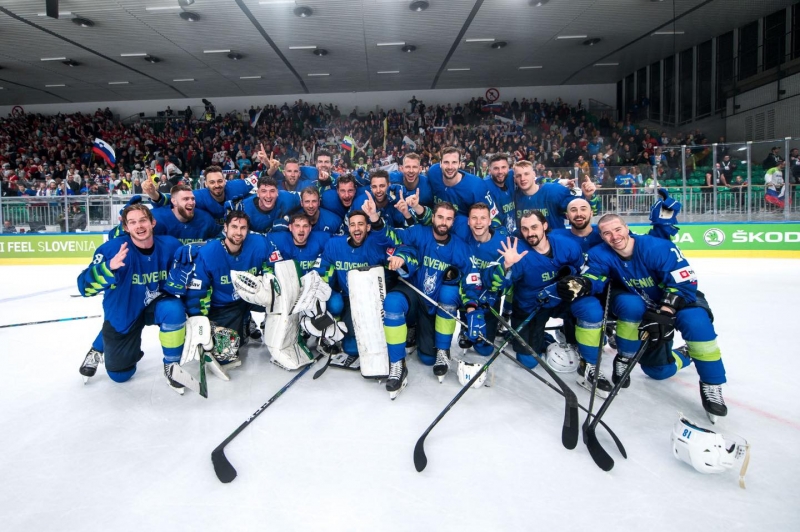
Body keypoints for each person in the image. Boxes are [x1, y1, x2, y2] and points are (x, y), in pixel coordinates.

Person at [559, 214, 728, 421]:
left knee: (697, 323)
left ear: (627, 228)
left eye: (618, 230)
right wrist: (583, 284)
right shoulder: (600, 254)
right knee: (656, 370)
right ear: (601, 236)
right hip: (646, 308)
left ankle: (712, 385)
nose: (614, 236)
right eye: (607, 233)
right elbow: (595, 275)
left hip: (681, 301)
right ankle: (651, 356)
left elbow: (685, 281)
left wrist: (666, 311)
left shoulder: (657, 248)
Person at [77, 203, 188, 393]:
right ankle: (97, 348)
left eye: (143, 220)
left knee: (174, 309)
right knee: (120, 375)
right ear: (126, 227)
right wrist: (108, 267)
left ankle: (172, 366)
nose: (139, 226)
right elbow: (85, 288)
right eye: (133, 222)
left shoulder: (170, 245)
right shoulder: (111, 250)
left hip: (156, 303)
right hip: (124, 308)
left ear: (152, 222)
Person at [382, 202, 473, 398]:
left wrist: (471, 308)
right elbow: (395, 238)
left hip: (435, 305)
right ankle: (397, 365)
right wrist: (400, 257)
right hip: (414, 293)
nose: (443, 222)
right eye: (440, 217)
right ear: (433, 217)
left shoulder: (460, 247)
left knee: (427, 357)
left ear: (453, 222)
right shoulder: (418, 231)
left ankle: (442, 350)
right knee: (392, 302)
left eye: (448, 219)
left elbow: (470, 281)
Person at [180, 211, 267, 360]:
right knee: (226, 355)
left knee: (279, 302)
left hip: (250, 297)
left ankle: (251, 322)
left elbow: (271, 265)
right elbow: (198, 291)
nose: (238, 232)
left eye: (243, 228)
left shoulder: (258, 244)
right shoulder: (209, 253)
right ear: (225, 228)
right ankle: (241, 324)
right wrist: (200, 321)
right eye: (234, 227)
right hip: (224, 305)